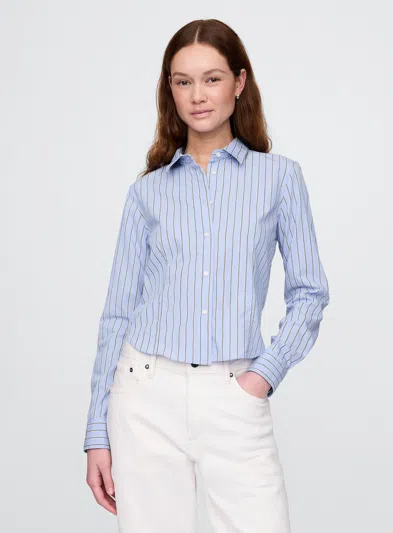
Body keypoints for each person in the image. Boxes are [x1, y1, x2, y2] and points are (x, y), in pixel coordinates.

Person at [83, 18, 330, 533]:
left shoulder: (279, 178)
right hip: (144, 396)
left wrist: (263, 376)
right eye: (183, 81)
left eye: (211, 79)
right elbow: (118, 313)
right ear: (170, 90)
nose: (197, 95)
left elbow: (309, 293)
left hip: (234, 394)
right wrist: (97, 432)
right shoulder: (147, 193)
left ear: (239, 82)